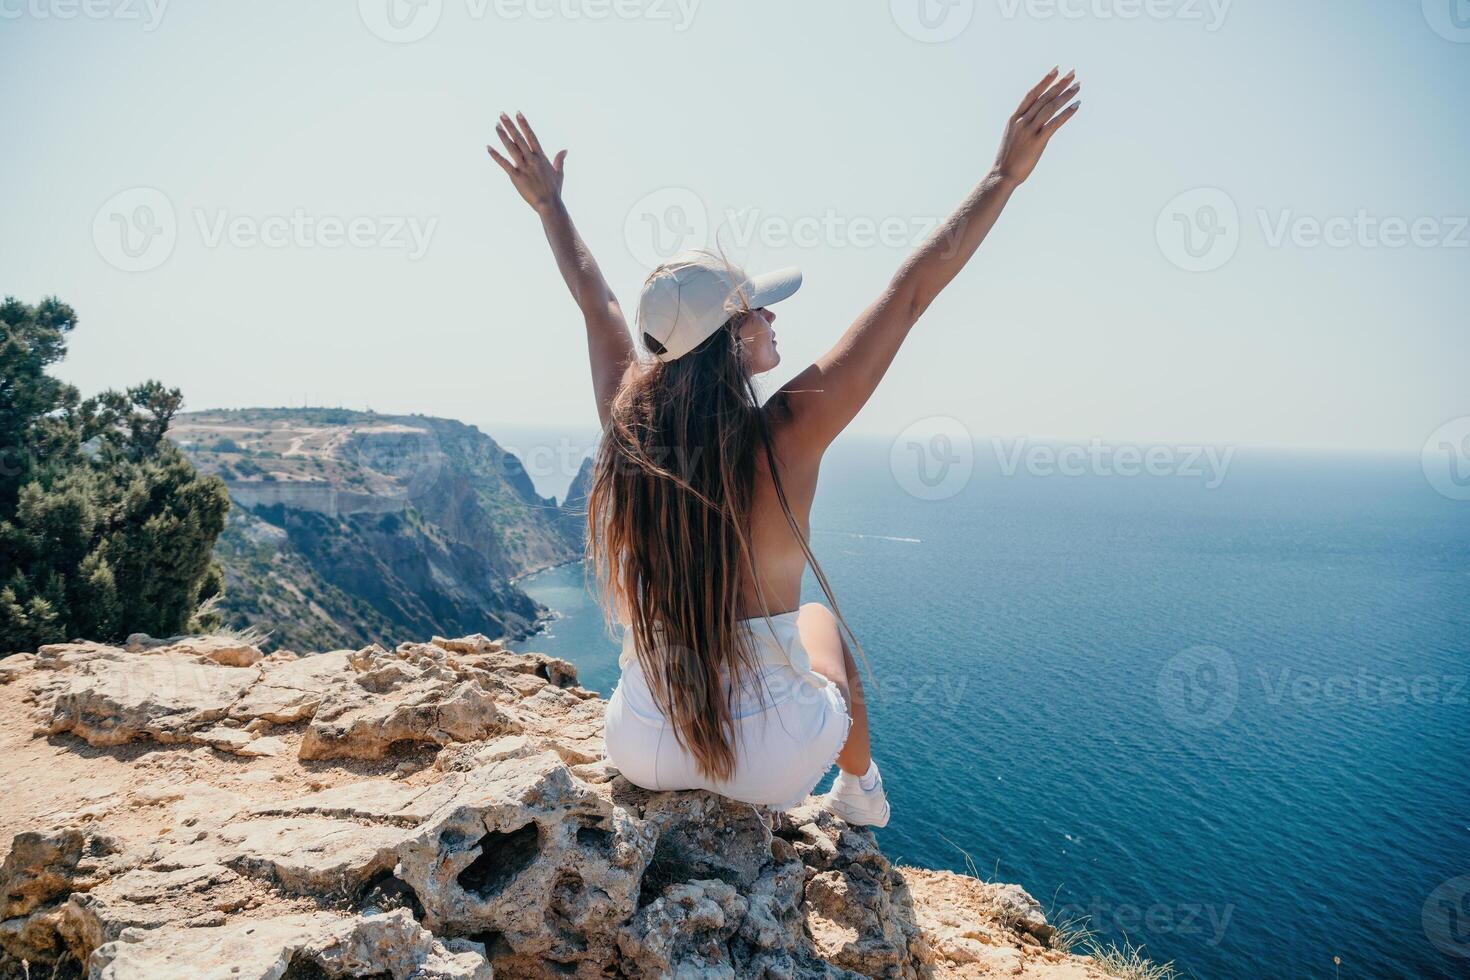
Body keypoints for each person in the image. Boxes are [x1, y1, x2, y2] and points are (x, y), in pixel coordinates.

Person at [487, 69, 1080, 826]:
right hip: (764, 764)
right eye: (756, 309)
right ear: (733, 338)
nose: (771, 317)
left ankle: (839, 789)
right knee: (820, 625)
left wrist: (550, 207)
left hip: (639, 743)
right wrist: (1003, 177)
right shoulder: (789, 433)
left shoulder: (629, 430)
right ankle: (861, 797)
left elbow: (597, 302)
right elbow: (908, 295)